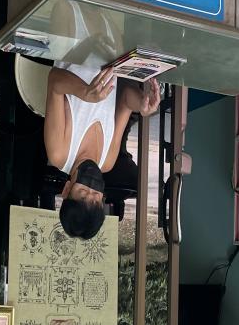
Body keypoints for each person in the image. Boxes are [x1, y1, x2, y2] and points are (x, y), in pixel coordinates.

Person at [44, 61, 161, 239]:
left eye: (83, 192)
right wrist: (141, 104)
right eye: (96, 196)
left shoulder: (59, 153)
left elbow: (54, 81)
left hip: (75, 49)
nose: (92, 187)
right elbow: (125, 99)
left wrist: (85, 92)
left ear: (67, 189)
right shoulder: (108, 161)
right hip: (112, 57)